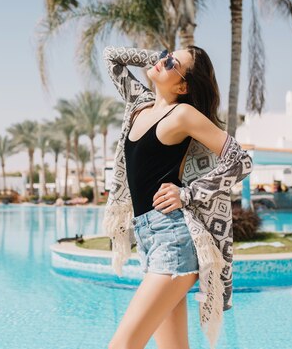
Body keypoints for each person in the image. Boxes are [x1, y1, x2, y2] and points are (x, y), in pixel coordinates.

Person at [103, 46, 253, 349]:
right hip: (149, 236)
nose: (162, 61)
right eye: (166, 54)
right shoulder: (140, 104)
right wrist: (161, 58)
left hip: (172, 239)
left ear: (183, 86)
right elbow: (111, 57)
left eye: (172, 63)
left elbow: (240, 161)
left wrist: (188, 194)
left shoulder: (182, 114)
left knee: (122, 345)